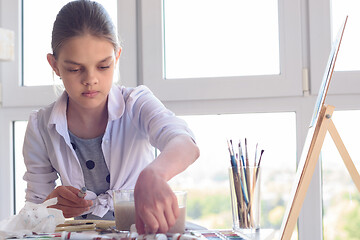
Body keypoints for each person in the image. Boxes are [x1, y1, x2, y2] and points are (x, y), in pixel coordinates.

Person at [22, 0, 199, 234]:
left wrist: (153, 174)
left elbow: (185, 144)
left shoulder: (136, 103)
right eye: (75, 69)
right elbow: (31, 220)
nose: (90, 79)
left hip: (144, 233)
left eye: (103, 66)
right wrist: (51, 207)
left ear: (116, 57)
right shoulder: (41, 126)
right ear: (54, 65)